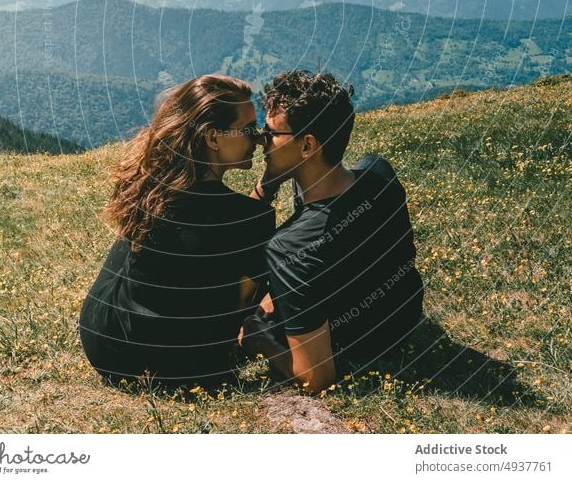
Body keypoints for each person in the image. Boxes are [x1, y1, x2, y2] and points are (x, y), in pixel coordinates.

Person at [77, 74, 274, 388]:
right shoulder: (251, 219)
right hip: (172, 366)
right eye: (249, 129)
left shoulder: (153, 188)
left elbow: (220, 222)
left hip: (106, 343)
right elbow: (238, 307)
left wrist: (265, 189)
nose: (260, 138)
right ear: (213, 138)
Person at [240, 70, 424, 394]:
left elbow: (316, 378)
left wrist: (261, 337)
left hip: (366, 342)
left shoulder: (290, 249)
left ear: (307, 145)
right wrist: (269, 183)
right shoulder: (378, 172)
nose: (260, 141)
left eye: (270, 134)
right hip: (405, 318)